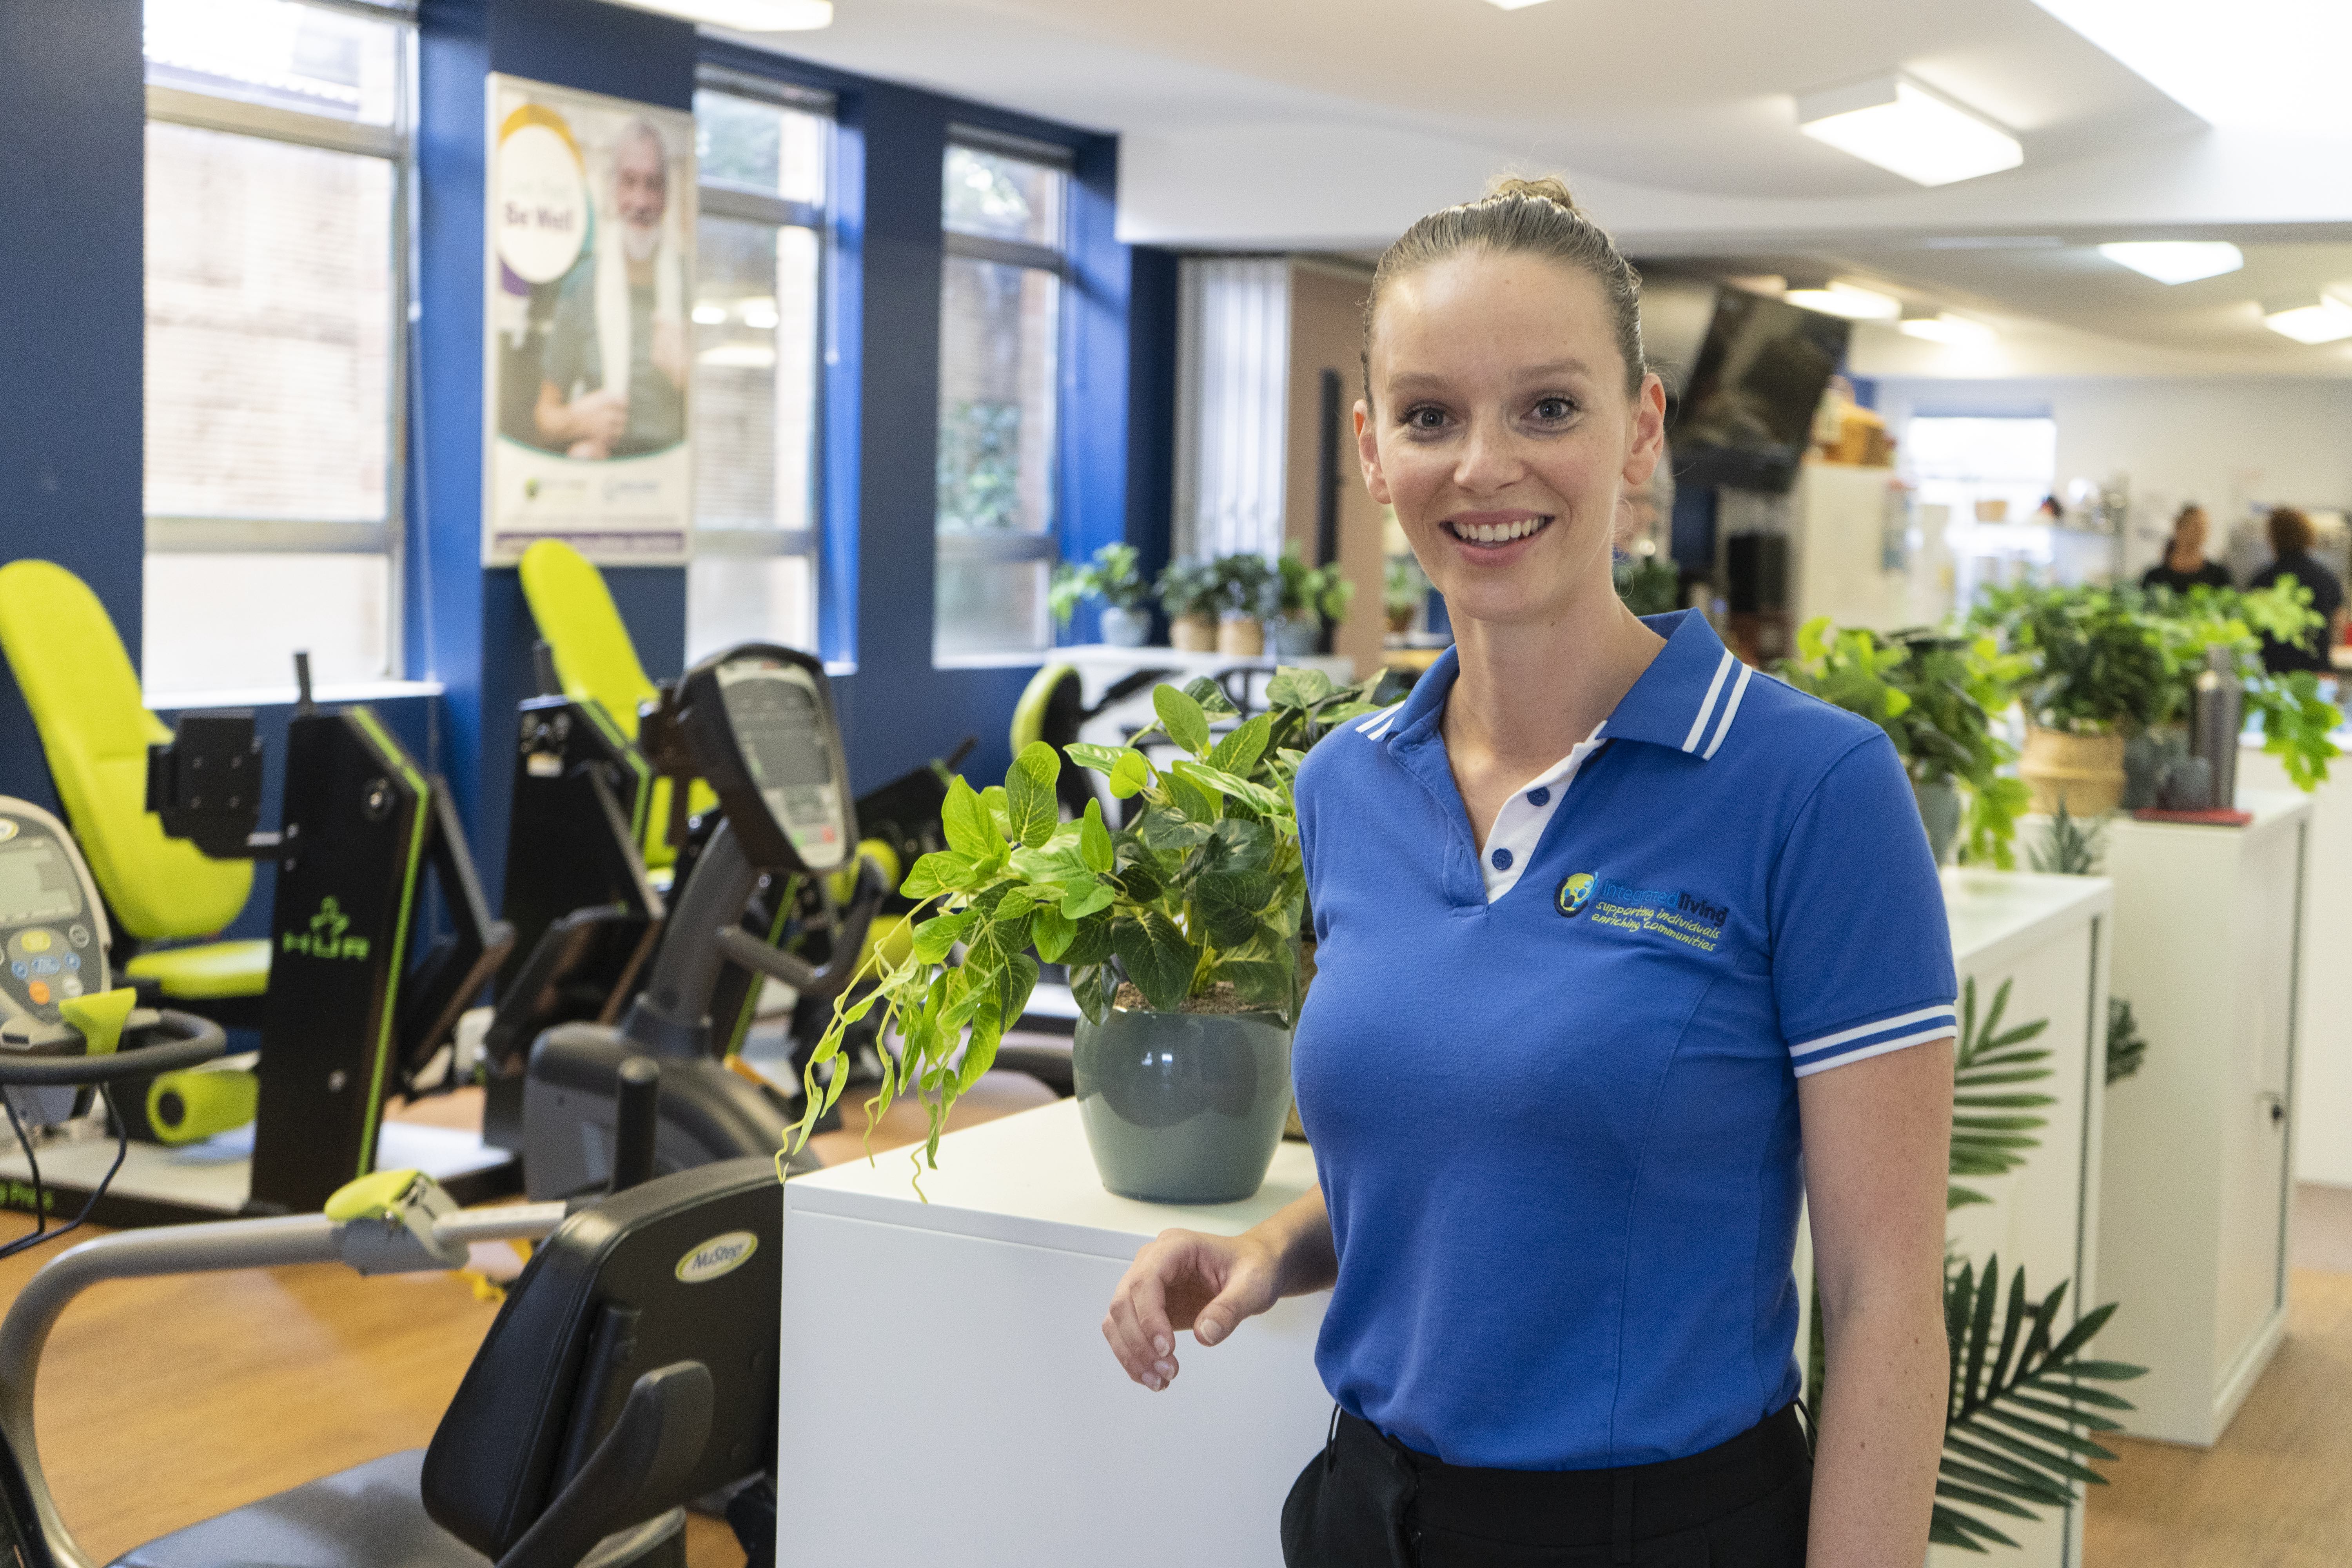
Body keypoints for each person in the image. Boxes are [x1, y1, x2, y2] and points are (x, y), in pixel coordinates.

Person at [1102, 178, 1955, 1568]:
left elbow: (1885, 1295)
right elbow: (1477, 1136)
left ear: (1641, 432)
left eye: (1548, 408)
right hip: (1368, 1515)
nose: (1484, 466)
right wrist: (1281, 1246)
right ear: (1373, 452)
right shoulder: (1344, 788)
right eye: (1432, 416)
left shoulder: (1815, 790)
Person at [535, 118, 687, 459]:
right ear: (612, 189)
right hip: (605, 479)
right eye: (629, 182)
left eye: (653, 185)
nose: (641, 201)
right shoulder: (582, 284)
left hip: (672, 483)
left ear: (666, 197)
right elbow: (545, 418)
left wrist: (686, 375)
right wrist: (577, 421)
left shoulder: (690, 285)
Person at [2247, 506, 2346, 674]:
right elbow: (2338, 624)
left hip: (2274, 676)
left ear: (2273, 538)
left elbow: (2251, 631)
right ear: (2307, 535)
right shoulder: (2326, 578)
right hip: (2316, 674)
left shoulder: (2262, 581)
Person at [2140, 504, 2232, 594]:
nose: (2202, 533)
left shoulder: (2219, 577)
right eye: (2197, 527)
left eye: (2205, 528)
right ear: (2178, 528)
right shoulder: (2155, 578)